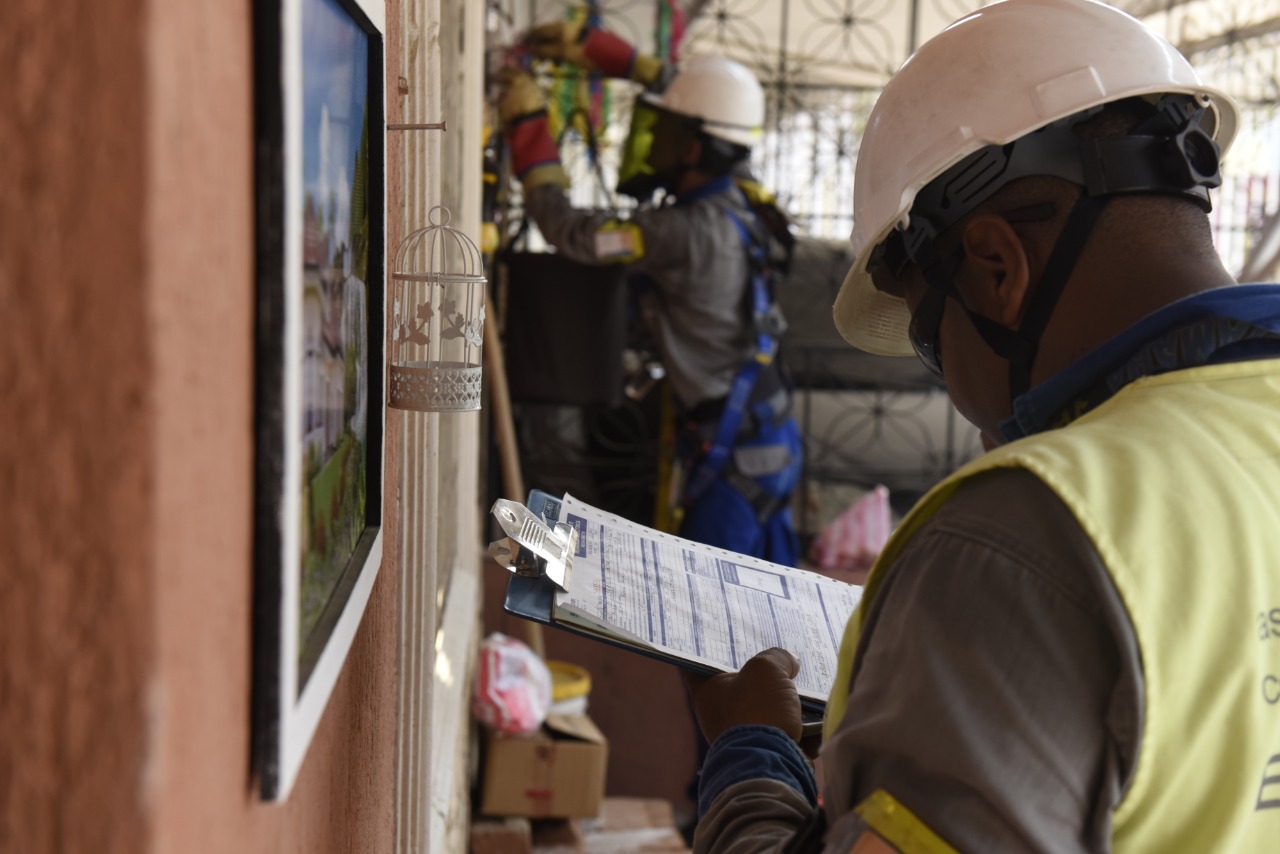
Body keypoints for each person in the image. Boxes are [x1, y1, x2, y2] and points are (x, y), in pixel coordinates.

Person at [683, 0, 1280, 851]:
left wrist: (753, 751)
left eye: (929, 339)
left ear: (997, 268)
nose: (954, 387)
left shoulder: (1023, 535)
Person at [496, 20, 803, 566]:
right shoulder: (742, 191)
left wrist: (528, 126)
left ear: (692, 150)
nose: (651, 139)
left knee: (708, 625)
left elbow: (568, 230)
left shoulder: (674, 232)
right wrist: (628, 63)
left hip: (731, 463)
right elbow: (719, 113)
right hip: (770, 443)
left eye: (664, 130)